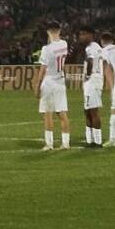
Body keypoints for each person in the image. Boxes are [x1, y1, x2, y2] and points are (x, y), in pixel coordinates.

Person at [35, 21, 71, 151]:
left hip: (49, 81)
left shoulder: (46, 49)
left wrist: (37, 86)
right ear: (59, 31)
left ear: (48, 32)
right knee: (62, 113)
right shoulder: (64, 44)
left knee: (47, 113)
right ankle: (65, 143)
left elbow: (42, 70)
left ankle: (49, 144)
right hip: (60, 81)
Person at [78, 26, 104, 148]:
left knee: (93, 110)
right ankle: (91, 140)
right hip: (95, 80)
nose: (81, 37)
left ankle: (97, 142)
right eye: (80, 34)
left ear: (91, 35)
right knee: (88, 110)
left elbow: (90, 61)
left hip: (93, 80)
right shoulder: (97, 47)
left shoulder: (91, 48)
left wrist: (87, 76)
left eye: (83, 34)